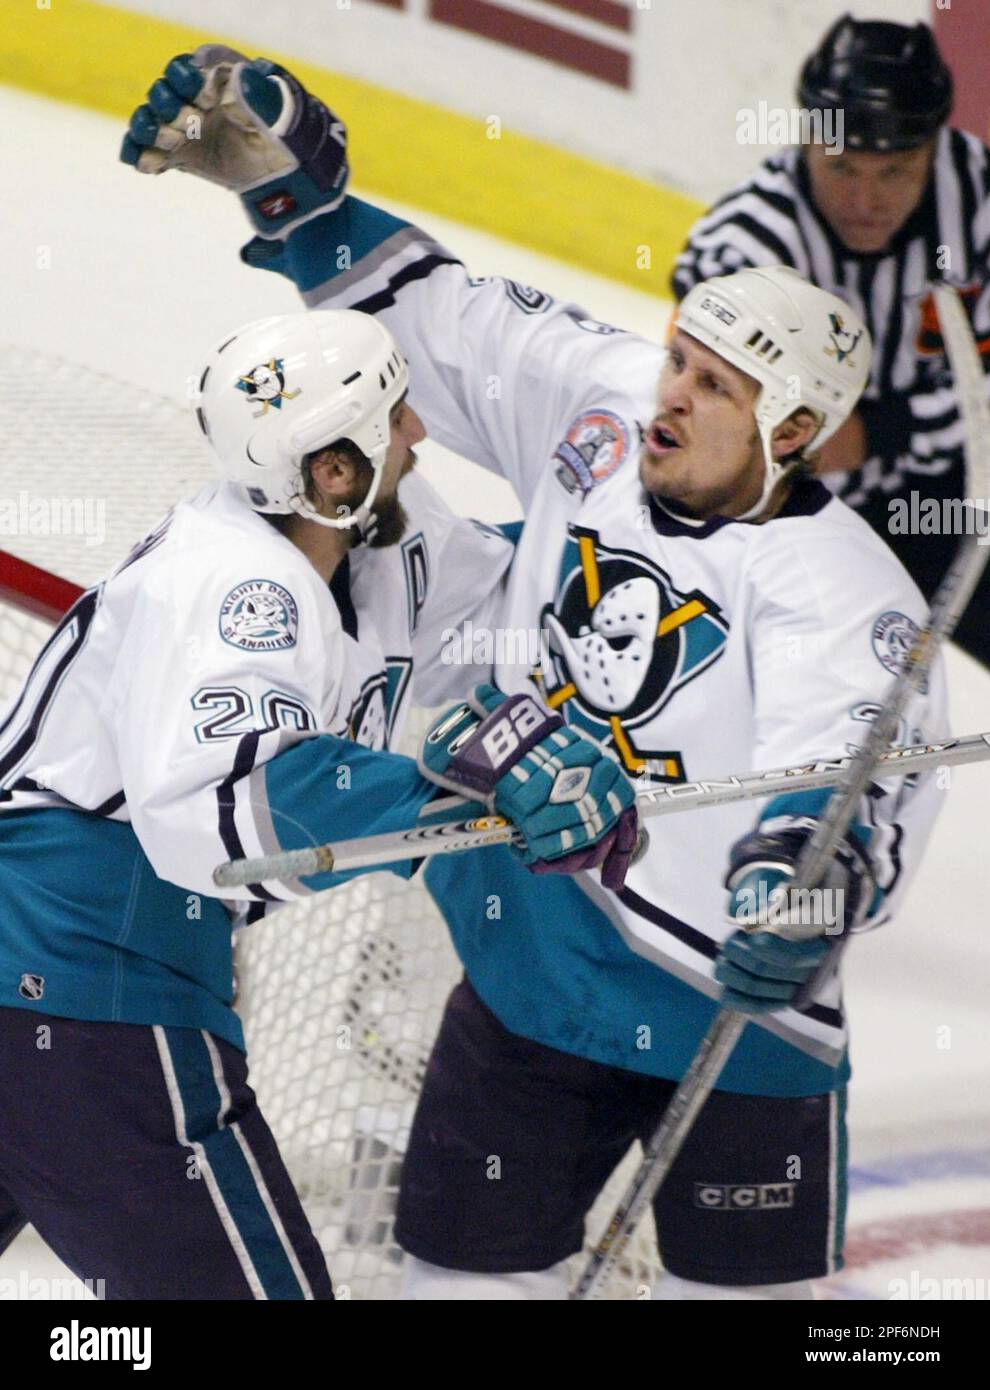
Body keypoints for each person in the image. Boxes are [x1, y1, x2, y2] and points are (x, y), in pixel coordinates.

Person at [122, 47, 948, 1300]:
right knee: (456, 1284)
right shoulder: (609, 407)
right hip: (531, 968)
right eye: (680, 357)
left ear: (788, 432)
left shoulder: (845, 590)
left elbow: (849, 787)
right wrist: (300, 203)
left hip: (735, 1026)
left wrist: (803, 892)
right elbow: (445, 318)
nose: (670, 395)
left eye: (715, 387)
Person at [0, 302, 635, 1299]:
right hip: (80, 969)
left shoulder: (377, 540)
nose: (418, 435)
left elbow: (514, 588)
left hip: (64, 971)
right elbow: (226, 811)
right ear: (334, 469)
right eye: (396, 420)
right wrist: (464, 780)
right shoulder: (234, 587)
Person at [673, 14, 990, 667]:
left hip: (941, 494)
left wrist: (883, 432)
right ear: (807, 141)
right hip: (798, 516)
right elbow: (706, 440)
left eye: (896, 172)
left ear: (934, 150)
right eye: (842, 167)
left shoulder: (978, 193)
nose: (866, 201)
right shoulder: (745, 248)